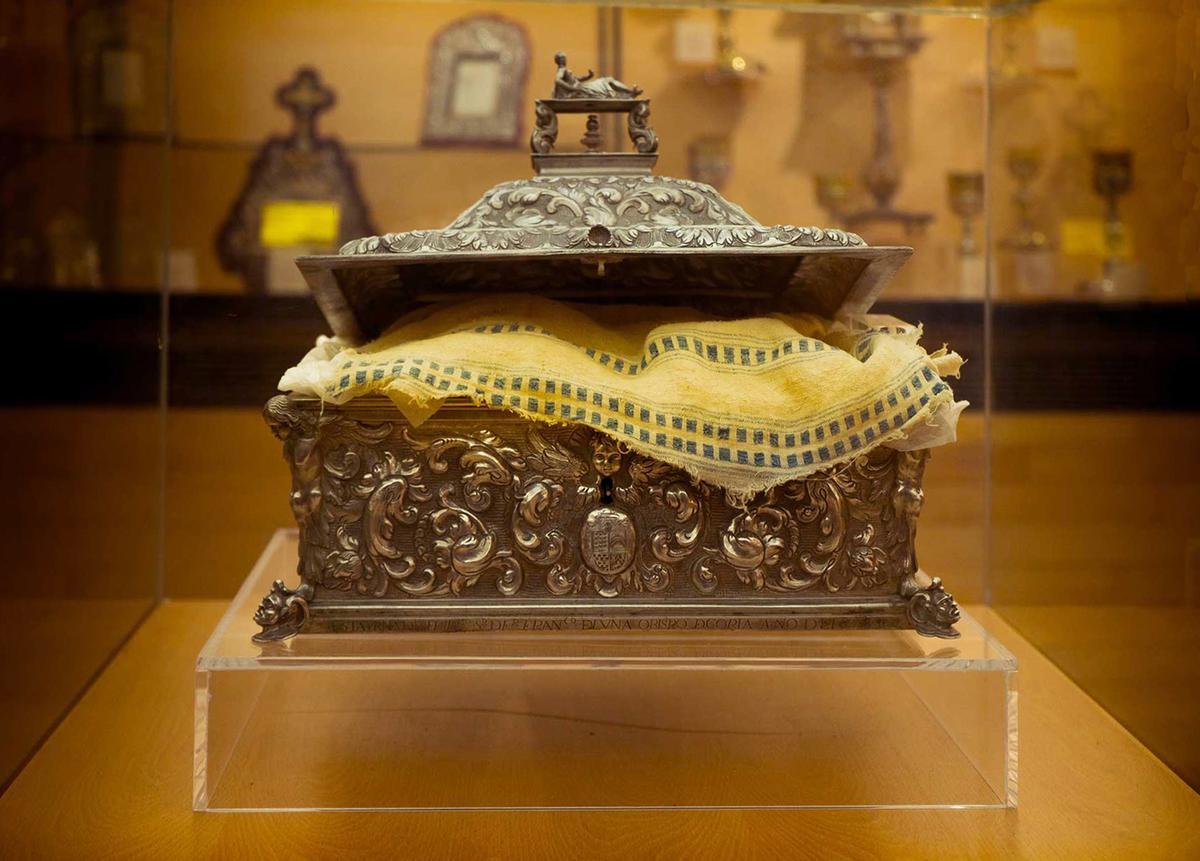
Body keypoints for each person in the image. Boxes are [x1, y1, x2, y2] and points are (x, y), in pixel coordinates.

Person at [552, 52, 642, 99]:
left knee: (608, 80)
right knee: (606, 81)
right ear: (558, 61)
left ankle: (630, 92)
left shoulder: (565, 70)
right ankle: (630, 92)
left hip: (581, 87)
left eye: (564, 58)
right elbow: (557, 80)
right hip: (579, 89)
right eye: (561, 58)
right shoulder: (562, 70)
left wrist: (588, 76)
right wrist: (572, 88)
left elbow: (577, 79)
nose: (563, 60)